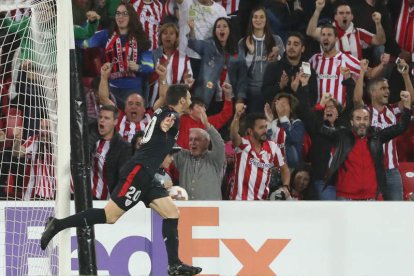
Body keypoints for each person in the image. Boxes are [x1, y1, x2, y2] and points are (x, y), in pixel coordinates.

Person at [40, 84, 202, 275]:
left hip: (147, 175)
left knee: (172, 213)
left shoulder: (163, 111)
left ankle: (174, 265)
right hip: (138, 173)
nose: (191, 100)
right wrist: (165, 124)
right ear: (182, 100)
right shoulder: (171, 117)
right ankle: (57, 224)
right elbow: (165, 123)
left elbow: (161, 123)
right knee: (110, 216)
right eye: (189, 97)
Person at [322, 92, 412, 200]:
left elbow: (401, 127)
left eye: (365, 119)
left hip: (370, 197)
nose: (362, 122)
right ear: (351, 122)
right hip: (345, 197)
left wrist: (406, 107)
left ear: (369, 121)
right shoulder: (341, 136)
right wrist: (321, 105)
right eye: (358, 119)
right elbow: (316, 127)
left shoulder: (377, 137)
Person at [76, 2, 153, 108]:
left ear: (131, 16)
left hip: (134, 91)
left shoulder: (141, 38)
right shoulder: (106, 35)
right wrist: (91, 23)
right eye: (118, 13)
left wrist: (138, 67)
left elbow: (149, 67)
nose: (120, 17)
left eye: (125, 14)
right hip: (112, 90)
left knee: (130, 124)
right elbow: (83, 42)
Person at [354, 65, 414, 200]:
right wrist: (362, 73)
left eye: (387, 88)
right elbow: (357, 100)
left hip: (393, 171)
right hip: (371, 170)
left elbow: (410, 99)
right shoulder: (365, 113)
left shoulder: (393, 110)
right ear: (373, 92)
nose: (387, 91)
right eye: (383, 88)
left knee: (395, 212)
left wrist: (405, 76)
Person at [229, 108, 290, 200]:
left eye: (265, 127)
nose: (265, 130)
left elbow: (284, 169)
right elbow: (233, 134)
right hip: (239, 202)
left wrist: (285, 186)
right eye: (261, 128)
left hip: (261, 204)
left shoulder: (273, 147)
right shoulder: (243, 144)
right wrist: (237, 117)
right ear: (250, 131)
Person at [188, 17, 247, 110]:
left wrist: (240, 99)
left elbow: (242, 77)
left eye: (224, 26)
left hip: (230, 98)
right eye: (218, 27)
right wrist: (191, 29)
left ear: (230, 30)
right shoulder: (208, 45)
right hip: (207, 98)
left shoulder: (238, 50)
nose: (221, 29)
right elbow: (193, 43)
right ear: (215, 31)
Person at [238, 6, 285, 113]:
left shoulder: (276, 40)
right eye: (255, 17)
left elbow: (284, 66)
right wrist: (251, 53)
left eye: (261, 17)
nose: (258, 20)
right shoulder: (243, 42)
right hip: (251, 92)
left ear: (266, 20)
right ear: (251, 20)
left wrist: (277, 56)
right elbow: (241, 70)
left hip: (272, 92)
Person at [173, 108, 225, 200]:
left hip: (210, 211)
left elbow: (220, 144)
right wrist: (175, 118)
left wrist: (207, 125)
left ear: (207, 142)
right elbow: (169, 142)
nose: (192, 143)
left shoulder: (214, 159)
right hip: (188, 210)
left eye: (197, 139)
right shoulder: (183, 157)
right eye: (190, 139)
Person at [306, 0, 386, 60]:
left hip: (354, 75)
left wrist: (378, 23)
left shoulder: (358, 33)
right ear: (335, 17)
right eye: (341, 13)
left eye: (347, 13)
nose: (344, 15)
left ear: (352, 17)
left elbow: (380, 41)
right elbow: (310, 32)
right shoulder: (326, 31)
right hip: (333, 74)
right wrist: (318, 10)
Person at [99, 62, 152, 142]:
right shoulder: (119, 117)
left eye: (138, 104)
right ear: (125, 108)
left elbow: (163, 98)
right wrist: (104, 76)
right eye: (130, 104)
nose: (133, 106)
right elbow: (104, 99)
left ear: (144, 108)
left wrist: (162, 79)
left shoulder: (150, 117)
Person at [309, 24, 361, 105]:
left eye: (329, 35)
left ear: (336, 39)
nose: (326, 37)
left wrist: (382, 64)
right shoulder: (313, 60)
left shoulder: (346, 59)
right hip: (318, 113)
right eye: (323, 35)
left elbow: (367, 72)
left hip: (339, 113)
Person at [262, 32, 318, 106]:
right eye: (289, 44)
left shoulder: (307, 69)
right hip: (278, 114)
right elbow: (265, 94)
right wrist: (280, 86)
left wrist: (296, 90)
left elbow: (312, 100)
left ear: (302, 49)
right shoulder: (274, 67)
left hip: (300, 115)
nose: (291, 47)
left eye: (296, 44)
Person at [176, 0, 227, 80]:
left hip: (209, 60)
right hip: (187, 57)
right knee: (184, 91)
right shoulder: (187, 3)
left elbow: (224, 36)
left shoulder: (220, 10)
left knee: (207, 90)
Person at [89, 105, 131, 199]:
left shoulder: (123, 147)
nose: (102, 120)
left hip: (107, 200)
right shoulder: (92, 138)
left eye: (106, 118)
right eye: (100, 117)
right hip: (87, 196)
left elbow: (122, 178)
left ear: (115, 121)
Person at [150, 23, 193, 107]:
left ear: (176, 37)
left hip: (176, 102)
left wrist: (187, 81)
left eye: (171, 33)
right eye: (165, 33)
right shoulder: (153, 55)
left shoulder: (183, 58)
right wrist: (157, 73)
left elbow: (188, 80)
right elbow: (147, 80)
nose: (168, 36)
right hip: (155, 102)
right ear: (160, 37)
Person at [11, 118, 55, 200]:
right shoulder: (33, 140)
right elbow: (16, 153)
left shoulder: (59, 143)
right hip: (33, 192)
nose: (44, 131)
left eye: (47, 128)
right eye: (42, 127)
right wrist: (17, 139)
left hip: (55, 191)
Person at [264, 93, 305, 169]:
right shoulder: (273, 123)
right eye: (278, 103)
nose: (280, 106)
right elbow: (266, 145)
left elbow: (293, 139)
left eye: (284, 103)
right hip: (274, 167)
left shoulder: (297, 123)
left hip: (291, 168)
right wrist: (269, 123)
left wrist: (282, 117)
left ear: (291, 108)